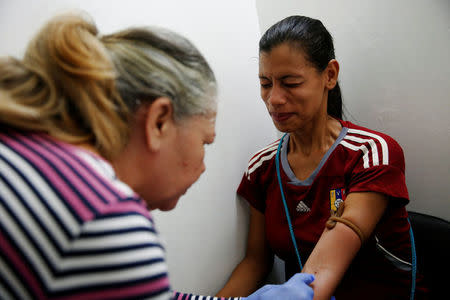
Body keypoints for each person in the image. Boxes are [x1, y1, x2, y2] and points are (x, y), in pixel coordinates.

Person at [0, 13, 316, 300]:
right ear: (159, 121)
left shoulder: (31, 158)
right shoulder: (105, 215)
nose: (203, 167)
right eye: (204, 143)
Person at [216, 16, 428, 300]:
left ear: (329, 75)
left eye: (290, 83)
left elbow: (324, 269)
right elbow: (255, 263)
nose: (274, 99)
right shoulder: (262, 168)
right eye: (265, 83)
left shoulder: (372, 154)